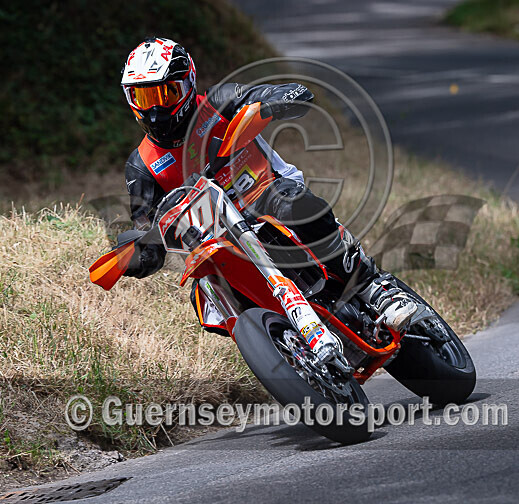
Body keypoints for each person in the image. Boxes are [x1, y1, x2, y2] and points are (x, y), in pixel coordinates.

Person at [118, 37, 417, 332]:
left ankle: (372, 286)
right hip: (219, 240)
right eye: (144, 98)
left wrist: (282, 96)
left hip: (267, 193)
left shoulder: (219, 101)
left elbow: (257, 95)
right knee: (207, 297)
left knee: (295, 205)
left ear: (187, 84)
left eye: (165, 94)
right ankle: (283, 350)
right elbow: (147, 226)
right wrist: (138, 254)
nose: (155, 109)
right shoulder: (141, 165)